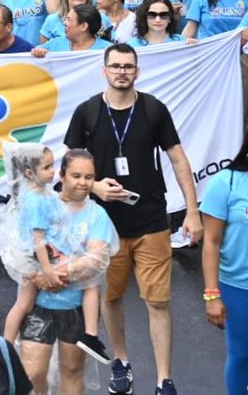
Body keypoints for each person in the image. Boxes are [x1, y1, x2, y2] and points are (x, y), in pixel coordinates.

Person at [64, 44, 202, 395]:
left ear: (137, 71)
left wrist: (192, 210)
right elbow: (68, 169)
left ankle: (163, 380)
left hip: (152, 222)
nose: (122, 71)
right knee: (110, 299)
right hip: (104, 226)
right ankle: (122, 361)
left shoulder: (154, 109)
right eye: (115, 66)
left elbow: (178, 159)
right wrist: (94, 187)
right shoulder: (88, 112)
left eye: (128, 66)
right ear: (104, 70)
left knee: (158, 302)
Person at [17, 149, 120, 395]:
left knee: (72, 370)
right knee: (32, 373)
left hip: (75, 308)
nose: (83, 183)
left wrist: (53, 274)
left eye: (89, 177)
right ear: (62, 175)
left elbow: (95, 261)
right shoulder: (41, 204)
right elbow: (19, 248)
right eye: (76, 175)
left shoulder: (97, 215)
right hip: (37, 305)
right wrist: (37, 276)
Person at [199, 130, 248, 395]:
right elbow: (211, 243)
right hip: (239, 289)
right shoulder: (226, 183)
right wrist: (212, 296)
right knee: (241, 356)